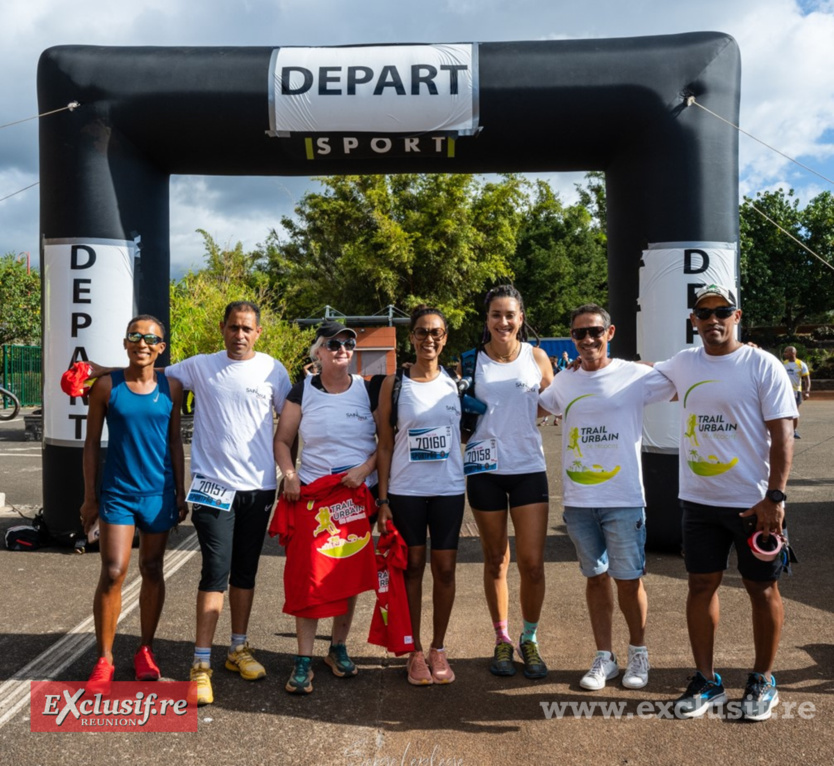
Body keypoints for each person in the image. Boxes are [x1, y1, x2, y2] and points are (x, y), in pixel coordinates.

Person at [653, 284, 797, 721]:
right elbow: (638, 373)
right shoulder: (682, 363)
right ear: (693, 320)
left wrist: (774, 496)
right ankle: (707, 680)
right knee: (700, 587)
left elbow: (782, 434)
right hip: (698, 503)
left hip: (754, 504)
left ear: (737, 316)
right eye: (704, 312)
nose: (713, 319)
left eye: (723, 311)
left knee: (762, 588)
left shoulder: (762, 364)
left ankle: (762, 679)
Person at [538, 304, 675, 691]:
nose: (588, 340)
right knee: (595, 578)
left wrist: (743, 353)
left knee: (628, 580)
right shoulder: (565, 382)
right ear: (572, 338)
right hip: (580, 500)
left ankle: (638, 652)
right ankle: (604, 657)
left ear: (609, 333)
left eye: (594, 332)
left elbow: (684, 379)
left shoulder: (634, 375)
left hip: (623, 497)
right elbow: (533, 405)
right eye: (579, 334)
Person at [167, 301, 291, 705]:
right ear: (223, 328)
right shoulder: (200, 366)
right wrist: (101, 371)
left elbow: (291, 424)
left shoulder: (274, 370)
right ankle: (200, 663)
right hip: (211, 489)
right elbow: (147, 371)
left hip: (258, 489)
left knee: (245, 571)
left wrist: (292, 472)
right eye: (234, 327)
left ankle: (238, 648)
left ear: (259, 333)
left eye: (247, 329)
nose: (240, 335)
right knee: (215, 571)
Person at [80, 315, 186, 695]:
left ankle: (145, 649)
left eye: (150, 339)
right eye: (135, 337)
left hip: (158, 494)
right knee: (113, 570)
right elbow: (92, 443)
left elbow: (175, 442)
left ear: (161, 347)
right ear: (126, 343)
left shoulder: (172, 387)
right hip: (118, 493)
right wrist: (90, 496)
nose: (142, 343)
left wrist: (180, 490)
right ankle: (104, 659)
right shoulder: (106, 387)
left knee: (152, 568)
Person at [274, 320, 379, 694]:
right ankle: (303, 658)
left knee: (347, 573)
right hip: (315, 498)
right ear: (318, 352)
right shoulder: (303, 392)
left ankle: (337, 648)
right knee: (309, 578)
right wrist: (289, 474)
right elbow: (283, 440)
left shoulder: (370, 390)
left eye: (348, 343)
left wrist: (365, 469)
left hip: (355, 495)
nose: (342, 349)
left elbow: (388, 441)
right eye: (333, 344)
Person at [465, 285, 554, 679]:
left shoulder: (536, 357)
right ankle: (502, 639)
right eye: (496, 314)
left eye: (510, 314)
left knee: (533, 564)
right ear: (486, 320)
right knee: (496, 560)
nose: (503, 321)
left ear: (521, 318)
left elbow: (560, 398)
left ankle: (529, 639)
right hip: (484, 471)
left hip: (527, 468)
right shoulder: (470, 363)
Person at [376, 306, 466, 686]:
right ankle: (414, 651)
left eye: (437, 333)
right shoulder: (393, 383)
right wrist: (382, 500)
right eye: (422, 332)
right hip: (406, 490)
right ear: (411, 337)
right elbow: (383, 444)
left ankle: (438, 648)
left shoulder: (459, 382)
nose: (429, 339)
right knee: (412, 568)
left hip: (448, 489)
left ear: (445, 338)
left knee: (444, 570)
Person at [782, 346, 811, 438]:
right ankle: (785, 431)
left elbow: (807, 379)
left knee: (795, 412)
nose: (784, 354)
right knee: (784, 412)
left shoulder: (801, 364)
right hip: (785, 391)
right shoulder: (783, 364)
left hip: (796, 391)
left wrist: (807, 391)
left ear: (792, 353)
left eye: (786, 352)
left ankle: (794, 431)